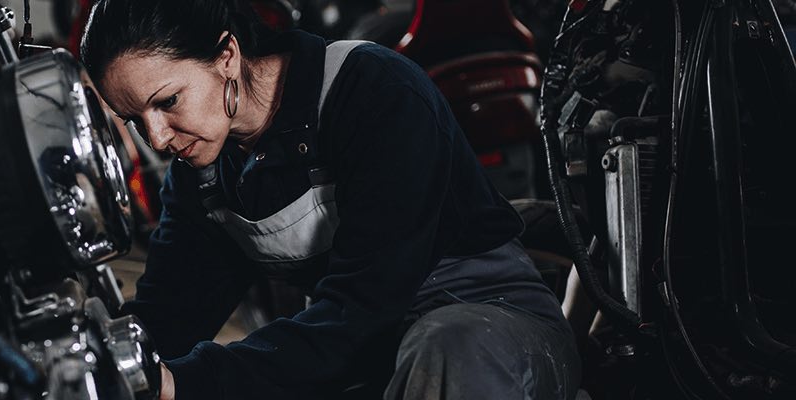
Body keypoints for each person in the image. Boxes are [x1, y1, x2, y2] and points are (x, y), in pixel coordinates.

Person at [79, 0, 581, 398]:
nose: (158, 138)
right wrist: (97, 357)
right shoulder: (205, 176)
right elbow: (167, 318)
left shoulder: (372, 92)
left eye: (166, 102)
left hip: (495, 333)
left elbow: (364, 308)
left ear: (226, 56)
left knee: (451, 345)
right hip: (367, 349)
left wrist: (191, 382)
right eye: (134, 120)